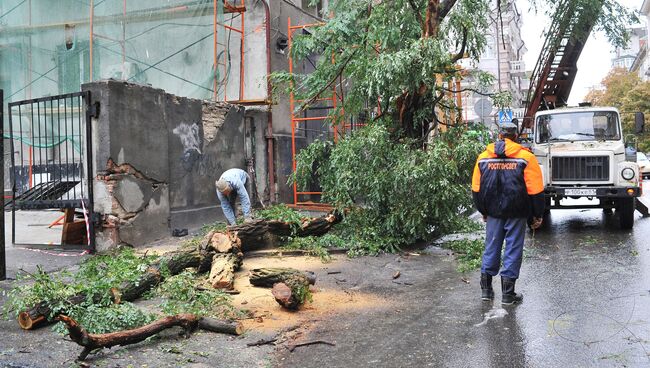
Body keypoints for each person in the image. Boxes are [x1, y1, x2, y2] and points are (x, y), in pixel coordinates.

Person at [471, 122, 545, 305]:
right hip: (517, 211)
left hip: (494, 213)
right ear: (516, 135)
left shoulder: (483, 158)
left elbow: (476, 189)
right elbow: (535, 190)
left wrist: (484, 211)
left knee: (491, 246)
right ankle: (508, 294)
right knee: (513, 248)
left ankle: (486, 291)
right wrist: (537, 215)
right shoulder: (526, 158)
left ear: (499, 135)